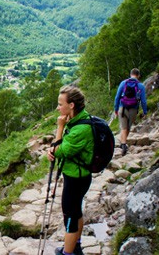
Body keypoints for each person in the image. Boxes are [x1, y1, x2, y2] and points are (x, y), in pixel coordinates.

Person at [47, 86, 94, 255]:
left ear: (71, 105)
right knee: (76, 211)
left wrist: (60, 127)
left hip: (76, 178)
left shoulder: (80, 129)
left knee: (70, 216)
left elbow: (59, 151)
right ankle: (75, 246)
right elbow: (59, 148)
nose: (58, 108)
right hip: (78, 175)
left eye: (61, 104)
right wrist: (52, 149)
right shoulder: (79, 121)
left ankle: (67, 253)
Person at [113, 68, 148, 155]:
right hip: (133, 109)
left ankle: (123, 144)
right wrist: (145, 111)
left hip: (122, 108)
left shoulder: (123, 83)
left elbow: (117, 97)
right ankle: (123, 144)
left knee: (123, 128)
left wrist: (116, 109)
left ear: (130, 74)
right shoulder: (141, 86)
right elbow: (143, 101)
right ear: (138, 75)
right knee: (128, 128)